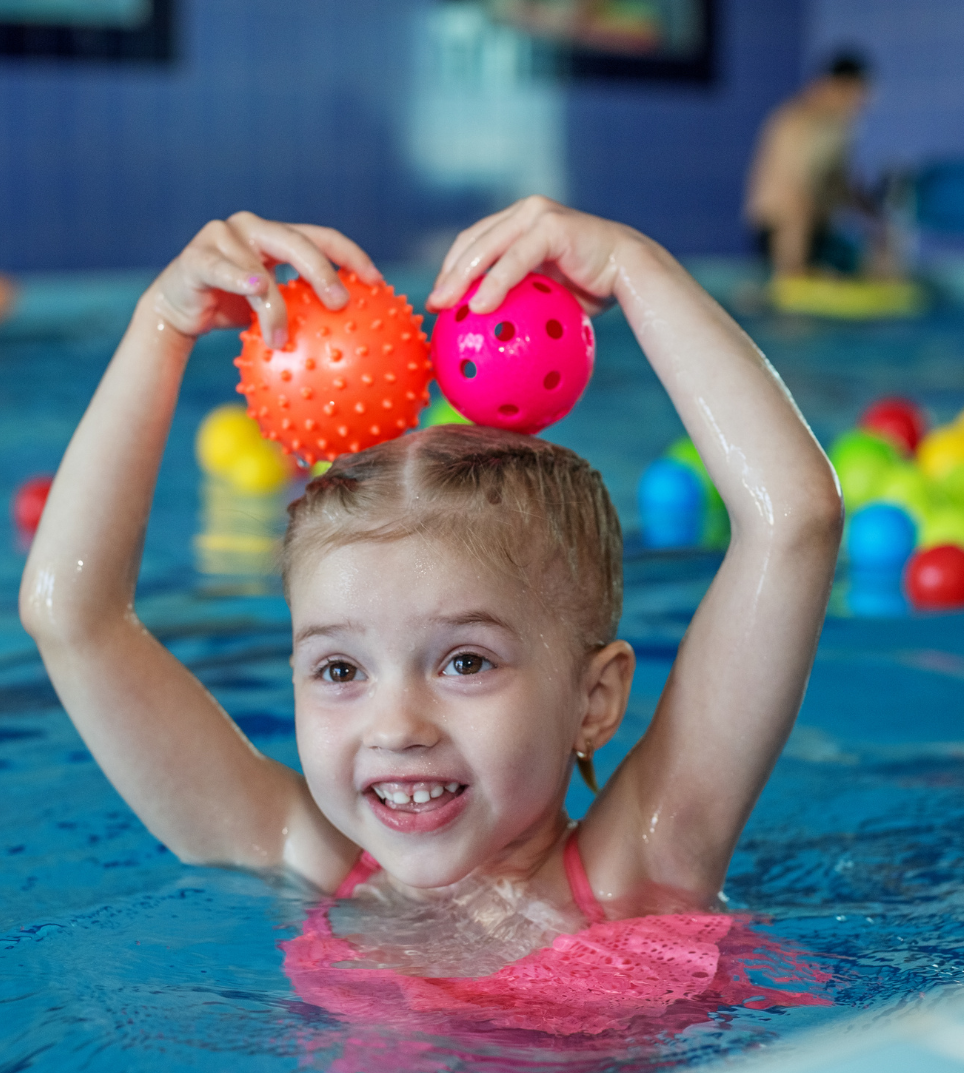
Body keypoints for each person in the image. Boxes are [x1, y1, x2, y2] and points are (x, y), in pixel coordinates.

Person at [18, 201, 842, 1019]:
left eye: (465, 662)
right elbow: (74, 619)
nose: (396, 725)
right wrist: (162, 326)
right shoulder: (301, 852)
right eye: (340, 669)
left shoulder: (643, 867)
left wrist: (631, 264)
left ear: (595, 701)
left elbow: (794, 523)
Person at [745, 53, 874, 278]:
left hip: (816, 230)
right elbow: (792, 193)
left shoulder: (837, 128)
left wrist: (873, 216)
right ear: (836, 87)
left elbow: (838, 185)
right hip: (782, 231)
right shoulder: (798, 123)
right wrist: (793, 269)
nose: (859, 106)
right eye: (855, 97)